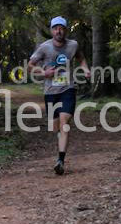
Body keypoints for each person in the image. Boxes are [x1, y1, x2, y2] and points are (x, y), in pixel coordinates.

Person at [28, 16, 91, 175]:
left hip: (68, 88)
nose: (59, 31)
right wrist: (44, 72)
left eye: (61, 28)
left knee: (64, 122)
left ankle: (60, 161)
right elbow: (30, 66)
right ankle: (60, 140)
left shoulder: (73, 45)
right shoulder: (44, 47)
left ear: (66, 30)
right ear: (51, 30)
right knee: (54, 126)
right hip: (50, 92)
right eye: (56, 28)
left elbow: (81, 58)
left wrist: (85, 69)